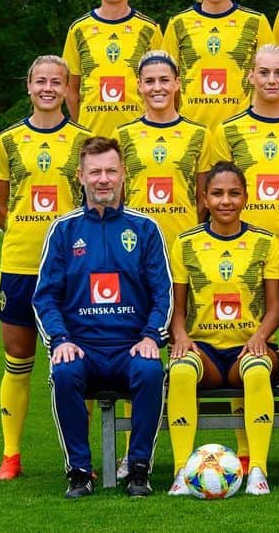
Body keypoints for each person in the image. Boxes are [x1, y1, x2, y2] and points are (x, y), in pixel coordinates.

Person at [32, 136, 172, 498]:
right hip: (82, 347)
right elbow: (45, 296)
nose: (103, 179)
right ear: (80, 176)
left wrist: (150, 337)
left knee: (150, 370)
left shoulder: (145, 229)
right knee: (62, 372)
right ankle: (79, 472)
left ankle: (139, 469)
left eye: (111, 170)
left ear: (124, 174)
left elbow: (163, 293)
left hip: (130, 346)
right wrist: (60, 340)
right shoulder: (63, 230)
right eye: (95, 172)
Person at [0, 56, 91, 482]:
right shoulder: (7, 141)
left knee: (82, 362)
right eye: (40, 81)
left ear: (68, 89)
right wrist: (31, 238)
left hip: (75, 269)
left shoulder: (85, 140)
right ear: (29, 86)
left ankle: (88, 455)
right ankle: (11, 455)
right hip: (21, 265)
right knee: (18, 358)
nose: (48, 88)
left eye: (57, 82)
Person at [166, 161, 279, 497]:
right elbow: (178, 306)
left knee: (258, 371)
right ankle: (181, 472)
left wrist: (260, 336)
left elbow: (274, 307)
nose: (225, 200)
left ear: (246, 197)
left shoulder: (265, 242)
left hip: (249, 347)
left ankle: (258, 468)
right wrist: (182, 336)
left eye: (234, 193)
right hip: (206, 351)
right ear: (204, 198)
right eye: (217, 193)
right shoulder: (186, 243)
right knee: (182, 371)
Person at [209, 44, 279, 236]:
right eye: (264, 73)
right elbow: (219, 192)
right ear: (251, 76)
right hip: (244, 239)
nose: (272, 80)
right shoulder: (227, 130)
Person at [162, 0, 274, 129]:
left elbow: (273, 80)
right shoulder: (178, 23)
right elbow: (165, 82)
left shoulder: (256, 22)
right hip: (192, 131)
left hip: (241, 131)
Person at [62, 0, 164, 137]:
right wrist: (83, 129)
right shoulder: (79, 29)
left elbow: (164, 89)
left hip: (139, 139)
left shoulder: (149, 30)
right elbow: (71, 89)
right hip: (93, 140)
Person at [116, 51, 211, 248]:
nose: (157, 88)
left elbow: (202, 201)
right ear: (139, 85)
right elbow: (118, 197)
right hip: (135, 243)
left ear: (177, 83)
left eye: (164, 80)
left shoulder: (200, 134)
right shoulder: (122, 134)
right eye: (149, 81)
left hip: (183, 242)